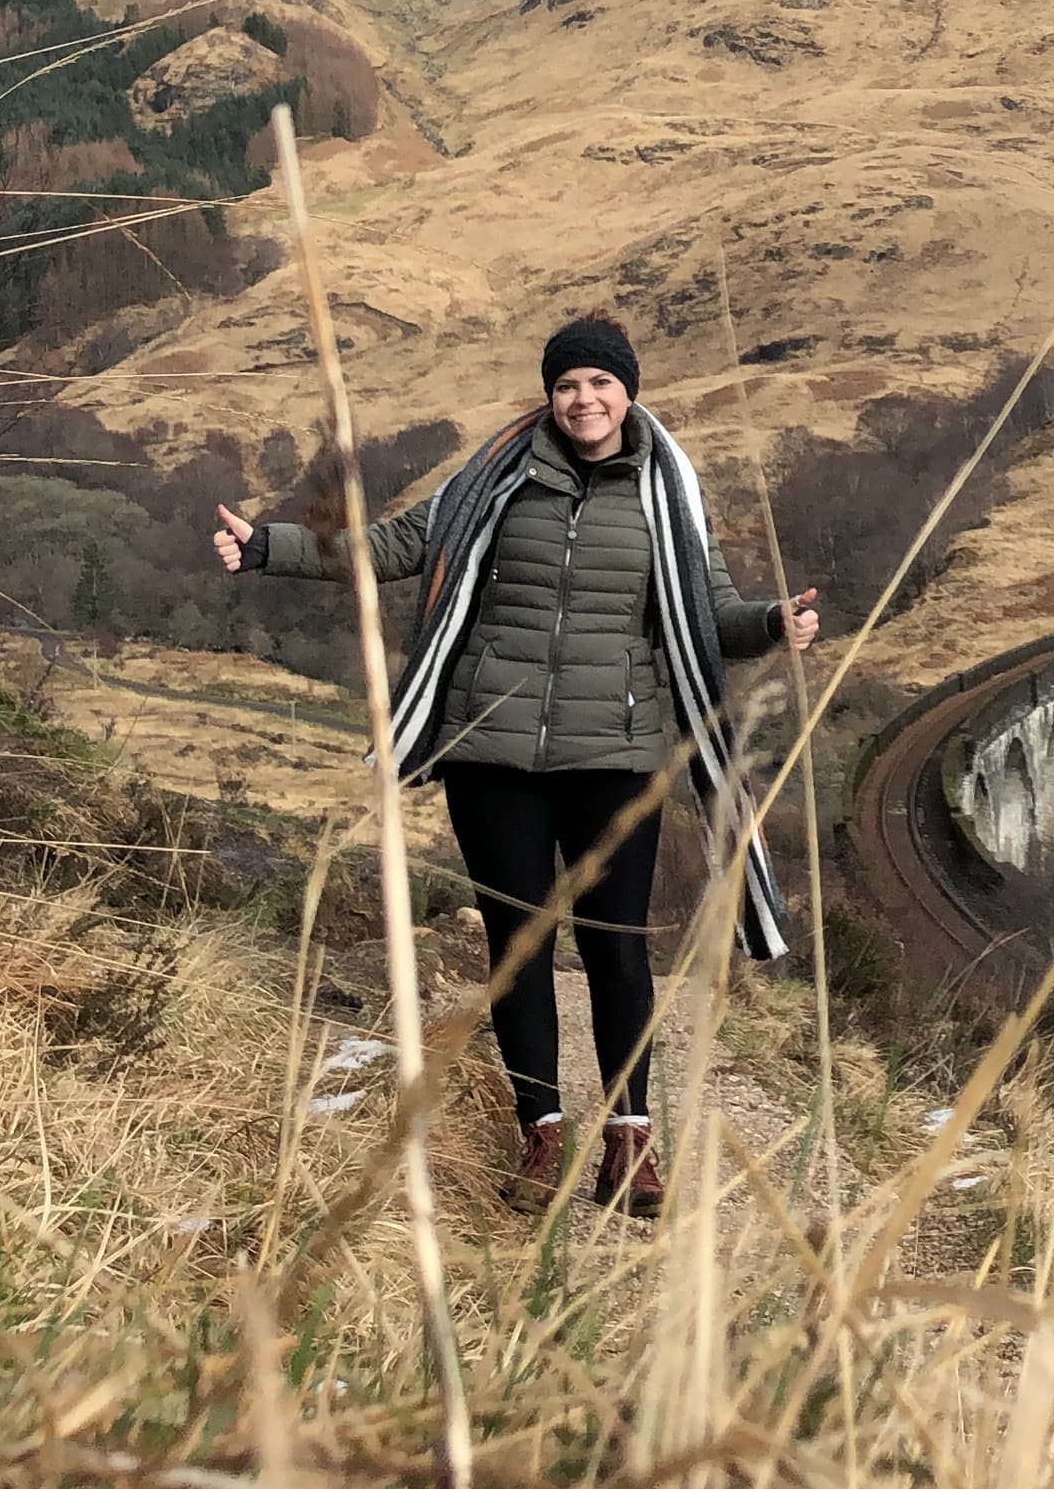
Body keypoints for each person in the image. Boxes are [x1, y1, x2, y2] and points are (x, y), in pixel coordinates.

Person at [214, 313, 814, 1216]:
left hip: (615, 756)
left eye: (600, 383)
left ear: (629, 392)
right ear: (550, 395)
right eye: (568, 384)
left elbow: (711, 617)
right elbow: (393, 546)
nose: (583, 399)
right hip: (492, 752)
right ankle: (542, 1133)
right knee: (518, 946)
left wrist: (772, 623)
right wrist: (267, 546)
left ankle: (630, 1141)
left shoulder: (669, 497)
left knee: (616, 949)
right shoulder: (494, 478)